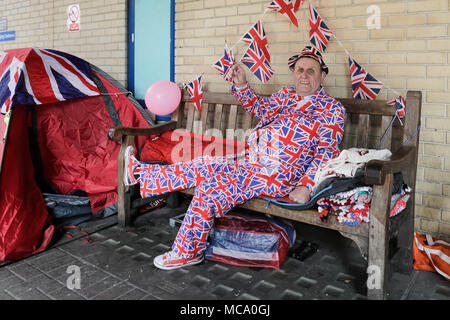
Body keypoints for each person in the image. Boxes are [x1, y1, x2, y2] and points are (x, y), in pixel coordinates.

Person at [124, 45, 346, 270]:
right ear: (293, 73)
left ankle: (188, 252)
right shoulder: (286, 95)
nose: (304, 75)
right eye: (300, 70)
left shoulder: (331, 109)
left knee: (210, 189)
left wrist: (306, 186)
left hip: (278, 173)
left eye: (311, 70)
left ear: (322, 75)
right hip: (251, 161)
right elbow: (260, 109)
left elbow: (326, 152)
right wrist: (241, 84)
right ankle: (139, 174)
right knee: (205, 164)